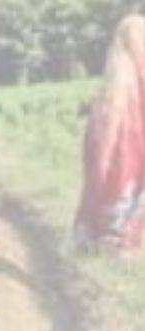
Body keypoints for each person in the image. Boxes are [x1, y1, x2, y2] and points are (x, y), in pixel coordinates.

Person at [73, 14, 145, 253]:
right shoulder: (135, 78)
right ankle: (118, 243)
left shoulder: (117, 78)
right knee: (128, 197)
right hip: (134, 153)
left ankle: (99, 240)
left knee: (110, 193)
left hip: (117, 153)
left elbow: (104, 127)